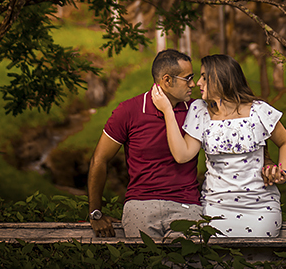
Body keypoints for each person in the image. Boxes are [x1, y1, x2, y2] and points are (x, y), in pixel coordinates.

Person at [151, 53, 286, 238]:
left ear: (221, 78)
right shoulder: (200, 111)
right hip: (216, 208)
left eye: (204, 77)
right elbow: (182, 155)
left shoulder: (259, 110)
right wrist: (167, 112)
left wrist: (282, 171)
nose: (198, 83)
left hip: (261, 207)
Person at [86, 49, 202, 239]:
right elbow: (99, 159)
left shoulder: (196, 110)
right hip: (141, 205)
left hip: (186, 205)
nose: (193, 84)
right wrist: (95, 212)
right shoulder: (129, 110)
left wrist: (267, 159)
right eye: (187, 78)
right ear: (167, 80)